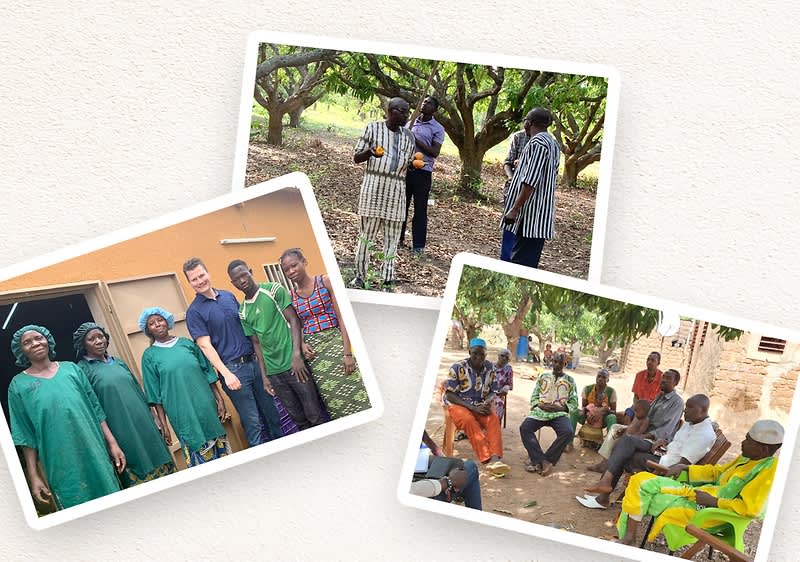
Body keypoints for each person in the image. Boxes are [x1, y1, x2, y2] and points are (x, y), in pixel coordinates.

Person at [8, 325, 124, 509]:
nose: (35, 343)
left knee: (113, 502)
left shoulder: (72, 370)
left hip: (94, 449)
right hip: (59, 461)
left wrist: (112, 443)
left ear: (48, 340)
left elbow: (96, 409)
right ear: (20, 350)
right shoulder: (18, 386)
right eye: (27, 342)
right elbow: (25, 434)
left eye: (38, 338)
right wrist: (33, 475)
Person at [617, 419, 783, 547]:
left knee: (645, 490)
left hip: (707, 510)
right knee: (641, 481)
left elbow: (750, 508)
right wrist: (687, 468)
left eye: (748, 440)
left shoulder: (769, 470)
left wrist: (714, 502)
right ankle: (629, 535)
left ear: (764, 450)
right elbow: (717, 472)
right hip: (699, 496)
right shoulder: (747, 458)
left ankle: (629, 535)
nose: (742, 442)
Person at [183, 257, 285, 447]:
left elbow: (249, 328)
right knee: (253, 423)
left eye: (201, 275)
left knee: (272, 414)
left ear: (208, 273)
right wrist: (227, 374)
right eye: (194, 279)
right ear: (189, 283)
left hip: (255, 364)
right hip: (233, 371)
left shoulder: (228, 296)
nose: (200, 281)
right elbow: (205, 346)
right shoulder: (194, 312)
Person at [73, 322, 176, 487]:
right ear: (83, 345)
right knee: (136, 467)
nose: (98, 341)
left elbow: (138, 390)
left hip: (145, 423)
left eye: (100, 337)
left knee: (162, 463)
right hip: (119, 430)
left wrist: (155, 418)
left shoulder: (119, 362)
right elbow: (92, 408)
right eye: (91, 339)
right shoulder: (82, 370)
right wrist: (110, 441)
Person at [228, 259, 325, 430]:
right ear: (232, 283)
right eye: (237, 279)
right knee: (299, 421)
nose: (242, 281)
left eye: (244, 275)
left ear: (250, 271)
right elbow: (256, 344)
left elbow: (294, 320)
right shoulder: (243, 311)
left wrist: (297, 355)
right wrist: (265, 377)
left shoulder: (273, 290)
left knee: (315, 415)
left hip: (294, 365)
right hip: (274, 374)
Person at [279, 248, 370, 419]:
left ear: (304, 262)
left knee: (358, 392)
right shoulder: (291, 296)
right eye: (287, 269)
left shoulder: (325, 281)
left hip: (336, 345)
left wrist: (347, 352)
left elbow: (342, 317)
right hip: (316, 357)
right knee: (334, 402)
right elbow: (297, 326)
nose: (291, 271)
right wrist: (302, 344)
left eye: (294, 265)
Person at [139, 307, 232, 467]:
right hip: (180, 412)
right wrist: (164, 425)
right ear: (148, 330)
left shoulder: (187, 344)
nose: (157, 324)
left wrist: (220, 399)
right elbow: (155, 395)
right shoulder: (149, 356)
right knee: (195, 445)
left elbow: (208, 373)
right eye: (152, 324)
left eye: (160, 320)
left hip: (205, 404)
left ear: (167, 321)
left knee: (218, 445)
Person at [581, 371, 689, 508]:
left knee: (626, 441)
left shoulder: (677, 403)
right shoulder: (660, 396)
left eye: (668, 378)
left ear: (676, 383)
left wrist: (642, 436)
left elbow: (665, 431)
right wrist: (631, 427)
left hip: (656, 442)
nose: (663, 380)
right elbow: (645, 414)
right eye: (663, 377)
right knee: (619, 435)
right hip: (644, 432)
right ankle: (603, 493)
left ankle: (604, 487)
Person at [351, 96, 417, 289]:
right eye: (402, 111)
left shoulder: (409, 136)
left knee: (393, 237)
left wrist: (413, 165)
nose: (406, 115)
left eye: (407, 111)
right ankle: (360, 276)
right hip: (374, 187)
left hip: (397, 191)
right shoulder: (373, 128)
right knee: (366, 236)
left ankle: (387, 277)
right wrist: (370, 152)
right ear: (391, 111)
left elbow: (409, 163)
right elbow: (356, 157)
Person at [501, 107, 561, 268]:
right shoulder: (553, 144)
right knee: (527, 262)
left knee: (520, 265)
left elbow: (530, 181)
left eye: (525, 120)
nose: (524, 124)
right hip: (540, 214)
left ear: (530, 123)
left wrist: (514, 209)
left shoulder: (537, 143)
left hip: (530, 216)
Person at [444, 338, 510, 476]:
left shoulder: (490, 368)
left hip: (479, 405)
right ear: (469, 352)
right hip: (458, 404)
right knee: (469, 420)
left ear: (486, 355)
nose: (478, 357)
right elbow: (450, 395)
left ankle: (495, 459)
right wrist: (473, 408)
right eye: (475, 353)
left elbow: (493, 391)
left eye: (482, 354)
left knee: (493, 419)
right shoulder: (458, 367)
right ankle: (487, 459)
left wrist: (488, 402)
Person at [519, 352, 578, 476]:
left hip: (558, 414)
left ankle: (548, 459)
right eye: (555, 362)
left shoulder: (570, 381)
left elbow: (574, 402)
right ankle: (540, 460)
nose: (556, 365)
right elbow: (535, 395)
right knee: (524, 428)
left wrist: (561, 408)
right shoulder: (543, 376)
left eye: (560, 363)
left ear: (565, 364)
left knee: (567, 432)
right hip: (540, 411)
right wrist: (539, 404)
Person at [400, 95, 445, 256]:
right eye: (424, 101)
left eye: (429, 103)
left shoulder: (437, 128)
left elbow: (434, 152)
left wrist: (415, 139)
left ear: (435, 109)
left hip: (423, 172)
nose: (425, 104)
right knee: (401, 206)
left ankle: (418, 245)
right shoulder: (409, 122)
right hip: (405, 169)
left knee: (420, 209)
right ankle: (398, 238)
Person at [500, 115, 534, 261]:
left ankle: (518, 259)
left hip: (532, 191)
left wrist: (524, 165)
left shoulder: (547, 143)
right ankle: (506, 258)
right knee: (510, 223)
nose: (524, 124)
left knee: (525, 225)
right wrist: (512, 178)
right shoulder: (518, 137)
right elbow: (507, 162)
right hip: (514, 188)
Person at [571, 368, 617, 448]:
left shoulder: (611, 392)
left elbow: (613, 411)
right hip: (588, 416)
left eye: (603, 377)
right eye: (598, 376)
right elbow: (584, 407)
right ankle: (568, 442)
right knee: (573, 412)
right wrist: (588, 413)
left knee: (612, 417)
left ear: (608, 380)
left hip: (602, 419)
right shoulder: (587, 389)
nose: (600, 379)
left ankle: (609, 448)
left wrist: (602, 412)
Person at [623, 351, 663, 422]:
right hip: (638, 405)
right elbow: (635, 396)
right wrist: (637, 407)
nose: (649, 362)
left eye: (653, 360)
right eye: (648, 359)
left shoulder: (662, 378)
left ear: (658, 363)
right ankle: (628, 433)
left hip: (653, 408)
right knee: (628, 415)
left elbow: (661, 400)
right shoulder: (639, 375)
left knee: (645, 421)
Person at [493, 349, 513, 421]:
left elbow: (509, 384)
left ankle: (496, 425)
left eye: (507, 358)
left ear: (508, 360)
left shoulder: (508, 369)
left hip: (499, 394)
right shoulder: (490, 366)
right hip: (487, 393)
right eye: (502, 356)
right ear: (498, 356)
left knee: (499, 403)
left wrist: (505, 388)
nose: (504, 358)